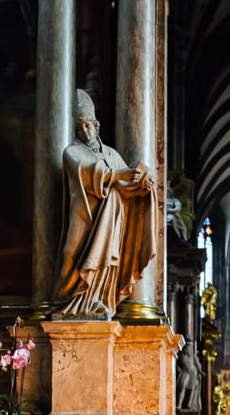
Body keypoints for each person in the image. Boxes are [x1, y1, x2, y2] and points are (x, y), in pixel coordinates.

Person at [53, 89, 156, 319]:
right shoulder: (72, 151)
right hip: (83, 217)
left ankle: (98, 299)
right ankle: (69, 301)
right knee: (71, 255)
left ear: (96, 125)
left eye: (87, 125)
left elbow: (127, 187)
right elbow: (89, 171)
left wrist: (142, 182)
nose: (84, 131)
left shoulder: (111, 154)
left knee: (105, 260)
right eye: (79, 127)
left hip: (111, 222)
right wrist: (122, 175)